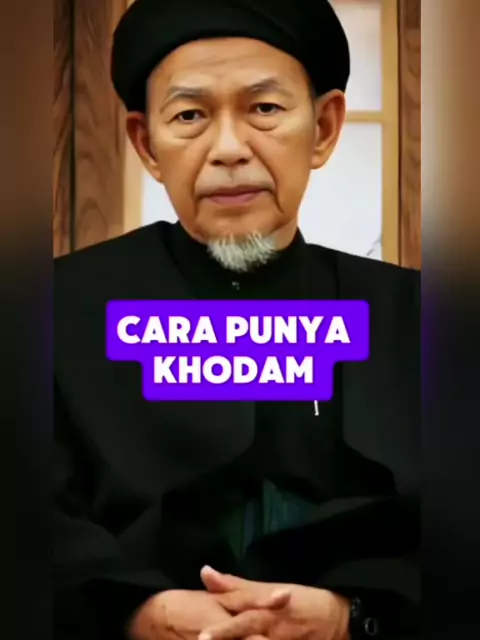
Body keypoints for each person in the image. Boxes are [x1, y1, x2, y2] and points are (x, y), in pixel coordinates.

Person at [54, 0, 420, 639]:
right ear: (146, 143)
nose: (228, 149)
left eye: (265, 108)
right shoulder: (58, 309)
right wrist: (140, 614)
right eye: (189, 116)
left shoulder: (414, 317)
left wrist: (351, 617)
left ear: (324, 128)